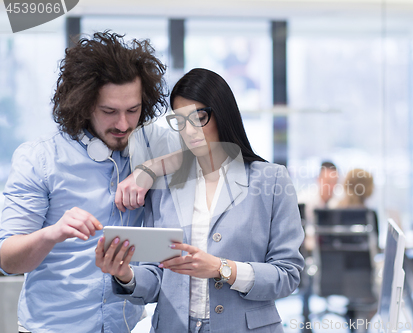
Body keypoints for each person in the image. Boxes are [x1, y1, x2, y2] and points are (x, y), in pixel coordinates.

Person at [95, 68, 305, 332]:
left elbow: (288, 274)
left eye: (199, 117)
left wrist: (221, 268)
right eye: (180, 121)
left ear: (222, 112)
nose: (190, 130)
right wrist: (125, 274)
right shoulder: (165, 186)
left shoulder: (271, 180)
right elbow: (157, 274)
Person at [0, 31, 174, 332]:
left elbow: (214, 155)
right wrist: (52, 234)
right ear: (83, 103)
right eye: (109, 112)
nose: (122, 124)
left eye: (132, 111)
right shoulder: (40, 159)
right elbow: (8, 260)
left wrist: (150, 170)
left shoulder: (145, 147)